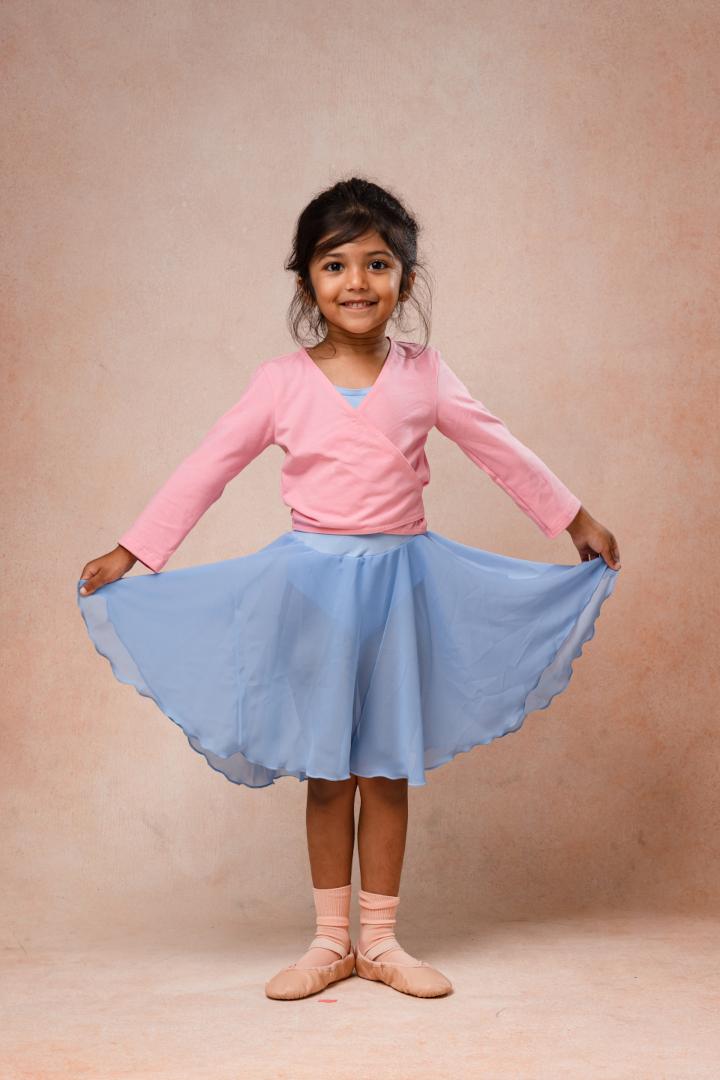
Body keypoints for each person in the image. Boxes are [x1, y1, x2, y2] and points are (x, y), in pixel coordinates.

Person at [76, 176, 622, 1002]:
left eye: (377, 263)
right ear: (307, 282)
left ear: (405, 277)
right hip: (313, 593)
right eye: (336, 265)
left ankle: (383, 942)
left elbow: (498, 448)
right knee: (329, 772)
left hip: (403, 589)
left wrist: (573, 517)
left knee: (385, 767)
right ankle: (330, 944)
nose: (357, 282)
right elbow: (209, 466)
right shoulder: (280, 383)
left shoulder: (427, 374)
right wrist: (134, 549)